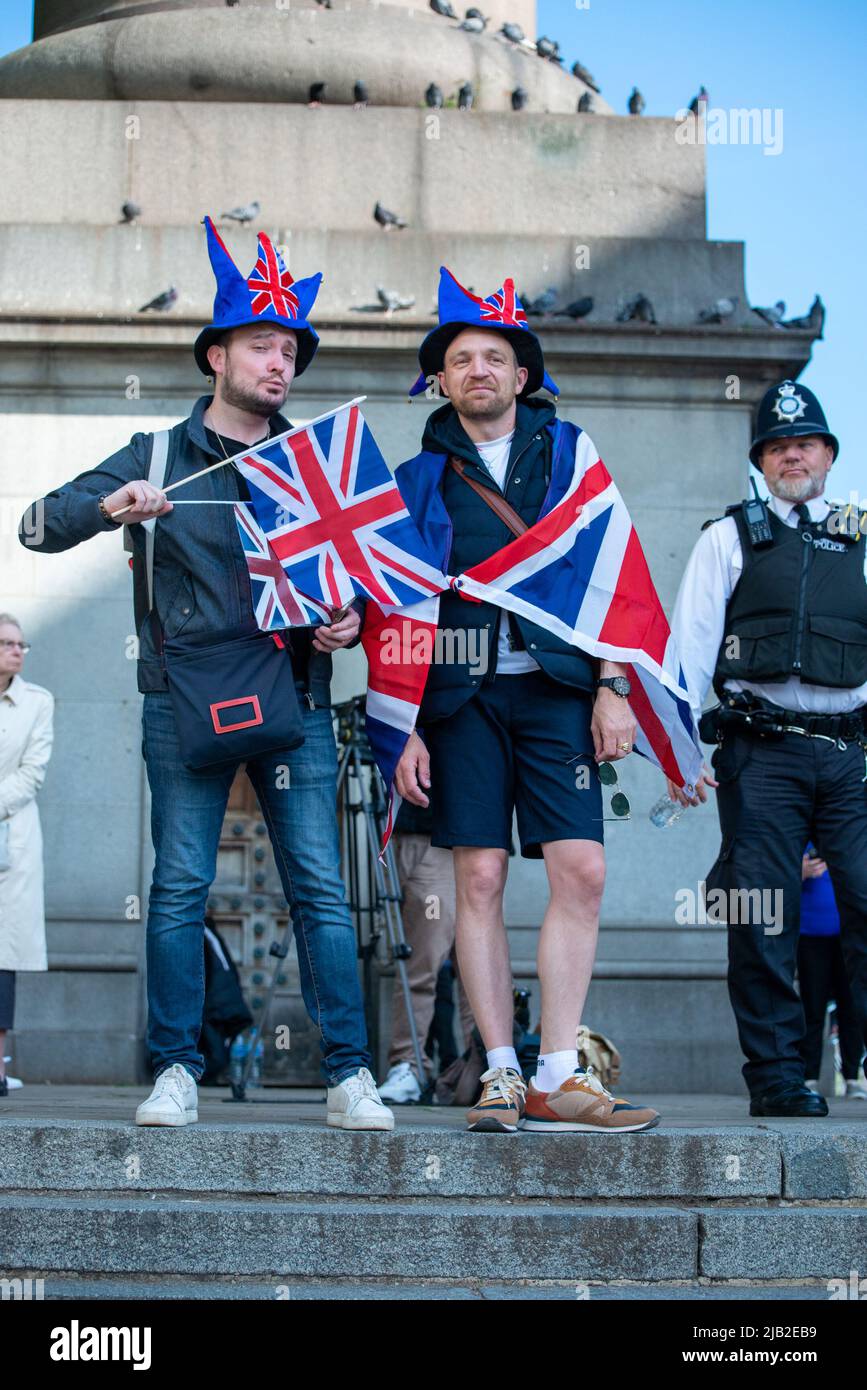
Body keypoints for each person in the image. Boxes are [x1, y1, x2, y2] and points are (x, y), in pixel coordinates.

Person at [18, 219, 393, 1130]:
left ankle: (349, 1073)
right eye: (262, 345)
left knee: (319, 888)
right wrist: (111, 506)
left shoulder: (316, 466)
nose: (280, 364)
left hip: (297, 698)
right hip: (180, 703)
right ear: (215, 355)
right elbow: (34, 524)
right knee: (180, 883)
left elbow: (366, 577)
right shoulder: (153, 454)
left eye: (291, 350)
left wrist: (349, 618)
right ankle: (175, 1069)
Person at [393, 267, 660, 1135]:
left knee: (581, 869)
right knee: (478, 875)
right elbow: (397, 604)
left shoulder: (573, 453)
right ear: (440, 379)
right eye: (460, 358)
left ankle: (557, 1069)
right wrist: (402, 728)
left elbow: (609, 576)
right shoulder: (416, 477)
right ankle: (500, 1072)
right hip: (460, 701)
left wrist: (613, 686)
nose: (477, 370)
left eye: (494, 357)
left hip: (556, 694)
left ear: (520, 375)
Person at [668, 380, 867, 1117]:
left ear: (828, 454)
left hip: (851, 756)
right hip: (761, 751)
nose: (792, 454)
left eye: (804, 442)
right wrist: (680, 748)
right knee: (760, 915)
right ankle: (778, 1077)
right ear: (760, 459)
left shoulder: (862, 535)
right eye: (777, 445)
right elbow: (687, 649)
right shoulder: (728, 537)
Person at [378, 799, 473, 1104]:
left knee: (484, 973)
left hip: (484, 833)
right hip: (430, 829)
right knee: (423, 961)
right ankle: (408, 1064)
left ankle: (487, 1068)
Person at [0, 613, 54, 1099]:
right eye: (7, 643)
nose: (17, 651)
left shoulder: (37, 702)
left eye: (22, 643)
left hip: (8, 838)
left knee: (2, 953)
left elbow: (32, 773)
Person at [799, 845, 867, 1098]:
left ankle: (852, 1077)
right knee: (811, 1008)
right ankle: (809, 1079)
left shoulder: (846, 834)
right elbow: (771, 879)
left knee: (852, 1006)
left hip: (849, 935)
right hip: (809, 935)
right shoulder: (798, 835)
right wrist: (801, 871)